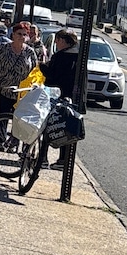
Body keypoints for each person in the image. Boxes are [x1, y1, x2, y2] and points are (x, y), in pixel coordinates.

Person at [43, 29, 81, 167]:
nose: (57, 43)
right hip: (72, 98)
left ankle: (42, 159)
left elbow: (52, 76)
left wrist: (42, 66)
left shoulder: (60, 56)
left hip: (56, 95)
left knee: (48, 126)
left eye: (58, 40)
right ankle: (63, 160)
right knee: (67, 130)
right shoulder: (79, 57)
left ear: (64, 41)